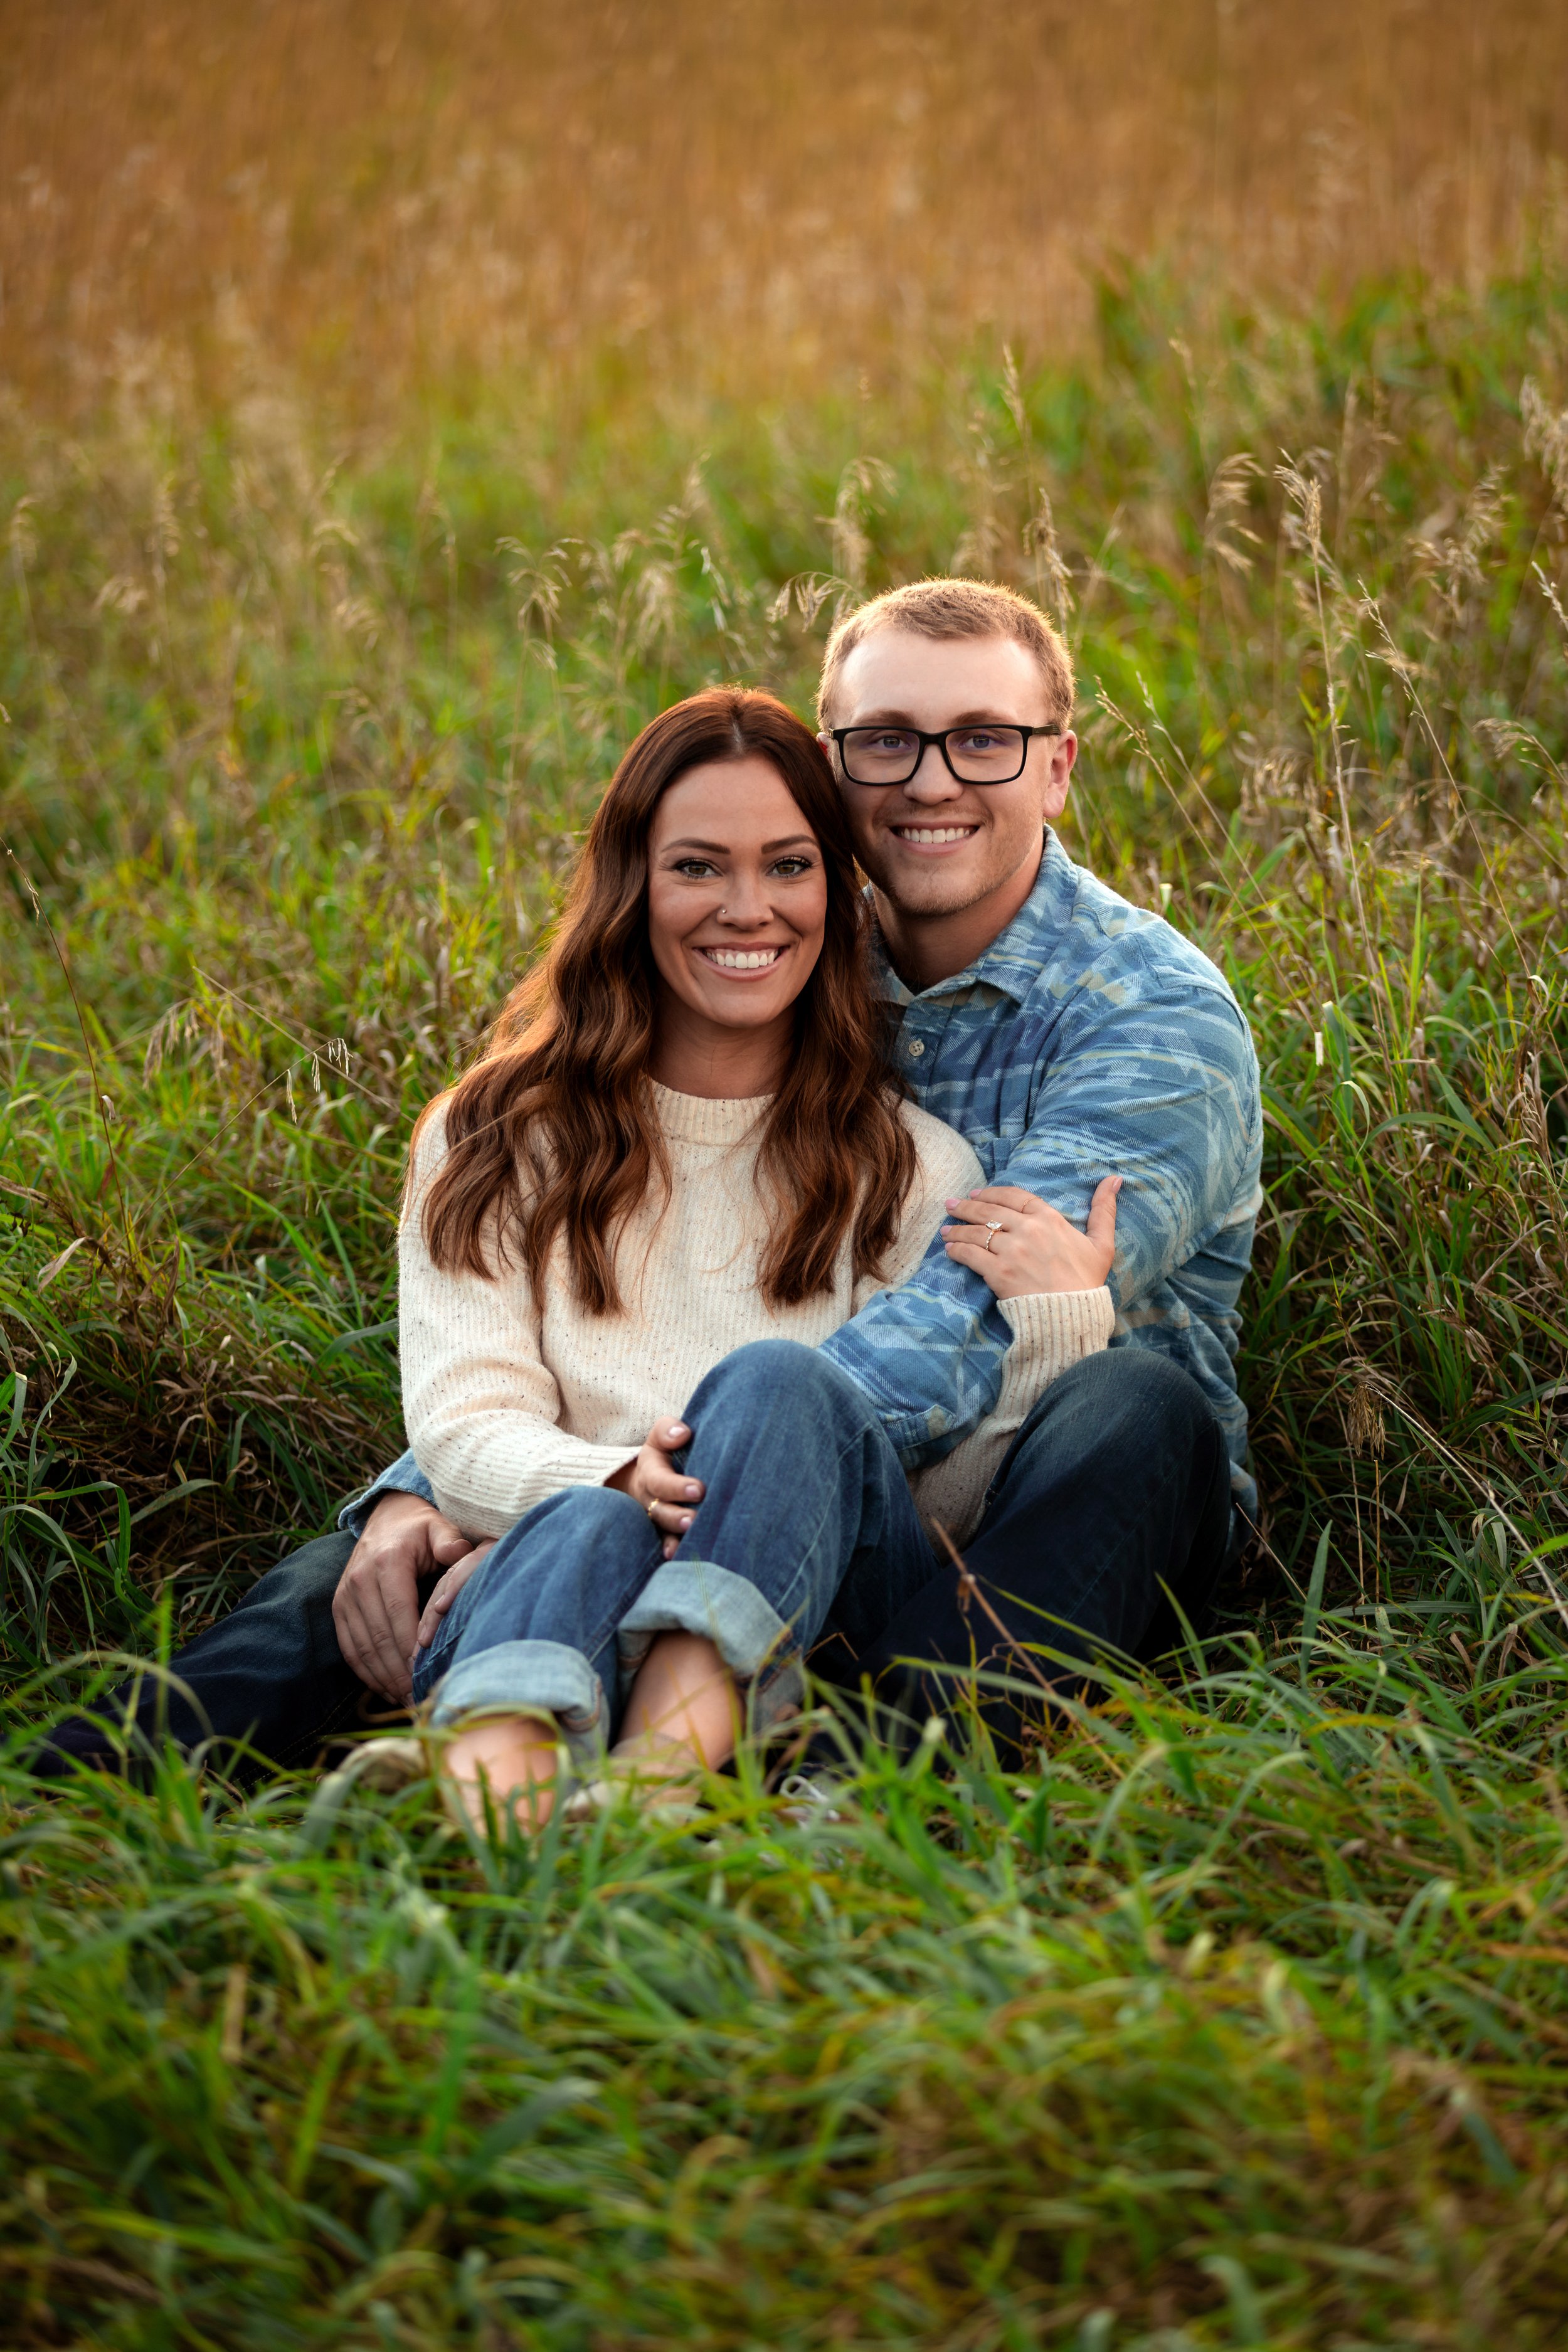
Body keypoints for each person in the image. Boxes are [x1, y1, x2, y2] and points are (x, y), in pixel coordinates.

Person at [34, 681, 1120, 1801]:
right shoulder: (498, 1133)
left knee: (781, 1387)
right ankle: (63, 1819)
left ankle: (630, 1781)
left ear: (838, 897)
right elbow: (464, 1418)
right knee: (316, 1616)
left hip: (793, 1606)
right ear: (631, 887)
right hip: (554, 1540)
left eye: (790, 865)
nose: (749, 907)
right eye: (698, 866)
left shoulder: (913, 1163)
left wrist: (1055, 1329)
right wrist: (608, 1484)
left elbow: (936, 1502)